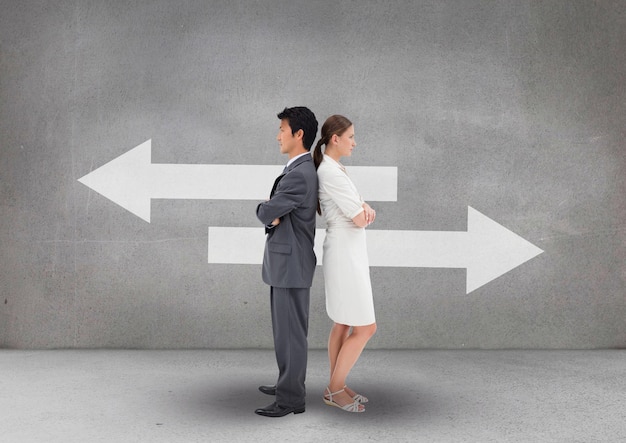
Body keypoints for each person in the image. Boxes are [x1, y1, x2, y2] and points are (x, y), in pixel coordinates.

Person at [254, 106, 319, 418]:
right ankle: (287, 385)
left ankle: (291, 398)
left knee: (291, 335)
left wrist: (264, 209)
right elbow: (275, 215)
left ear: (299, 134)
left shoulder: (300, 175)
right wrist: (273, 213)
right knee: (285, 333)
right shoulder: (298, 171)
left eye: (282, 129)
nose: (278, 135)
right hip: (287, 266)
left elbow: (267, 212)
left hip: (291, 267)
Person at [312, 115, 377, 413]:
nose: (355, 141)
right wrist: (364, 209)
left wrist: (362, 209)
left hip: (346, 251)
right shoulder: (332, 173)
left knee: (344, 321)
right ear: (335, 138)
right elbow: (359, 218)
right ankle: (335, 388)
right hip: (345, 254)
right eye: (350, 136)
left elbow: (358, 212)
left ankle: (336, 384)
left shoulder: (333, 168)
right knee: (366, 327)